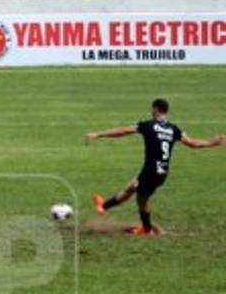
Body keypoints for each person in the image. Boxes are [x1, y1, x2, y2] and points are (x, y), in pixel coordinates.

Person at [85, 98, 225, 235]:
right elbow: (193, 143)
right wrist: (212, 142)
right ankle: (103, 206)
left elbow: (123, 131)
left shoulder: (148, 125)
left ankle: (147, 230)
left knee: (141, 202)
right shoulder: (173, 128)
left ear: (155, 109)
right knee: (131, 187)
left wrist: (99, 134)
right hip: (162, 172)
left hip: (150, 172)